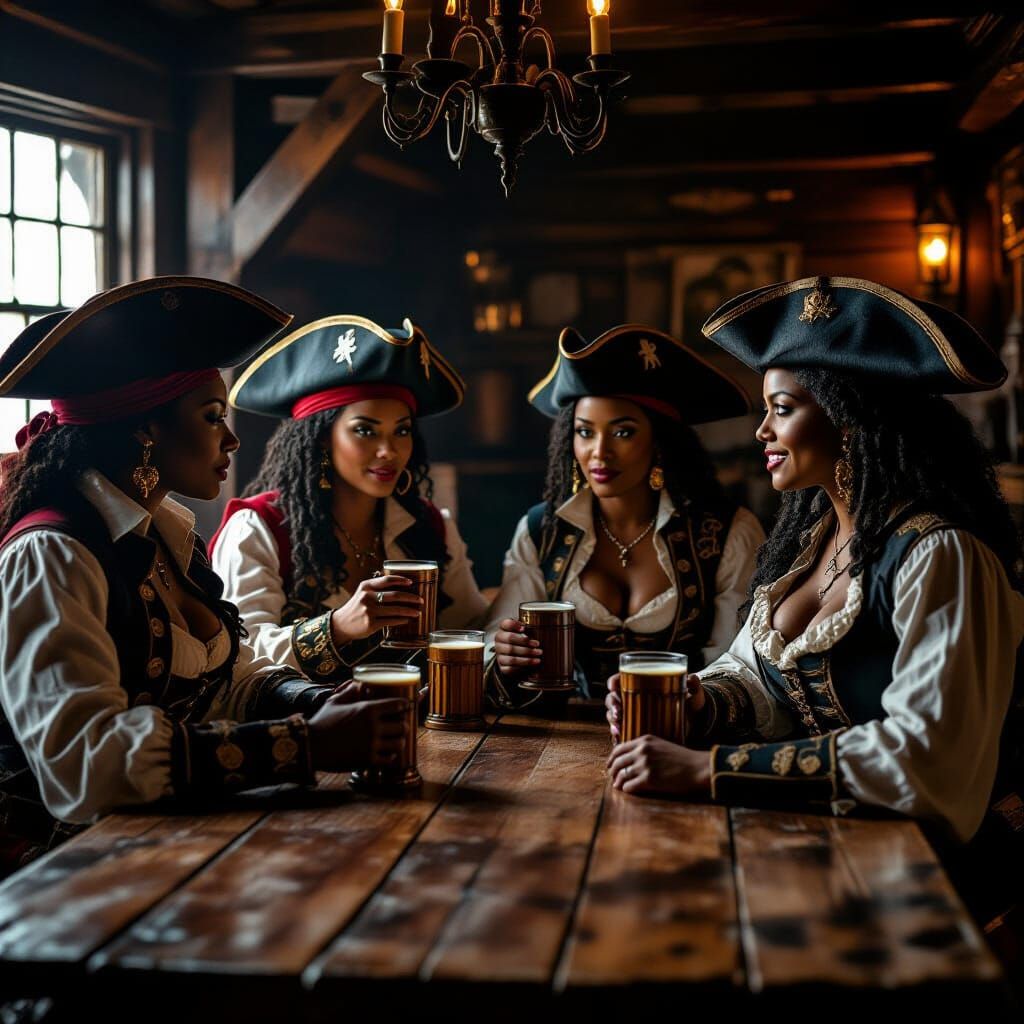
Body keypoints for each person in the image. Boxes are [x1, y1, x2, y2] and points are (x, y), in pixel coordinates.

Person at [604, 276, 1024, 947]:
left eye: (783, 408)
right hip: (816, 843)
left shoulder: (944, 555)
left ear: (850, 418)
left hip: (924, 879)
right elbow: (754, 673)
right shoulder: (806, 541)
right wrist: (703, 705)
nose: (763, 429)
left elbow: (926, 757)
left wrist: (709, 770)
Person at [0, 278, 409, 875]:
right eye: (213, 416)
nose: (232, 438)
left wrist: (316, 703)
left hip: (176, 844)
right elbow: (87, 768)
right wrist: (305, 745)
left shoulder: (164, 532)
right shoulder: (52, 553)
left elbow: (225, 679)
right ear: (147, 430)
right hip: (61, 880)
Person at [487, 324, 765, 707]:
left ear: (659, 441)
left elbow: (738, 665)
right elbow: (493, 641)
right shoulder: (541, 531)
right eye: (585, 433)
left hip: (681, 736)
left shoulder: (726, 534)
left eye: (623, 433)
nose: (599, 453)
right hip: (560, 740)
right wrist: (505, 653)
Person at [211, 314, 487, 682]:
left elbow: (468, 627)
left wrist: (506, 637)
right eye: (365, 431)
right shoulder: (258, 528)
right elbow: (240, 654)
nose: (388, 451)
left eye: (401, 431)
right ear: (322, 438)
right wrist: (337, 627)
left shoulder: (431, 526)